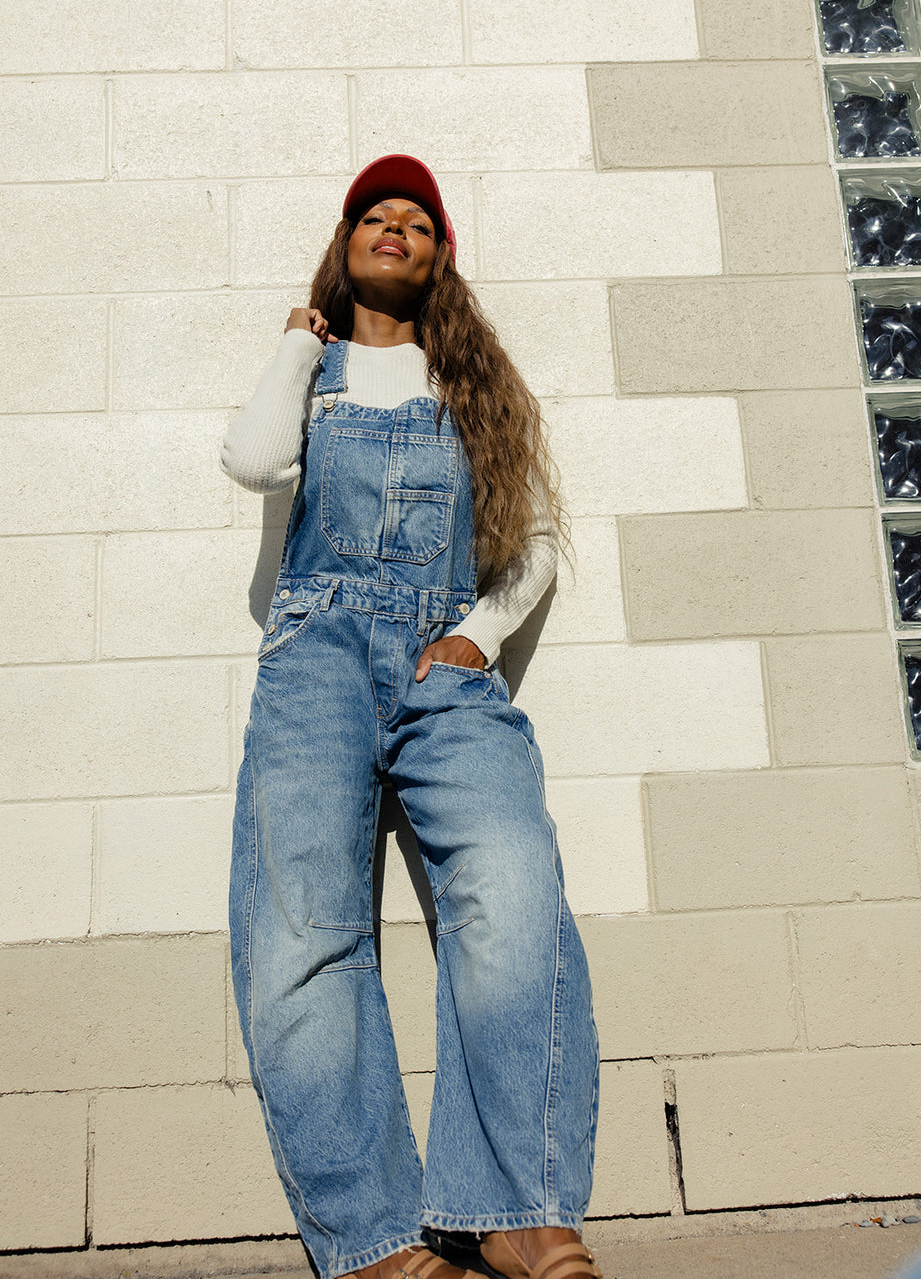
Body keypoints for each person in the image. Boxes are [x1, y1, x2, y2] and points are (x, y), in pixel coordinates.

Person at [222, 155, 601, 1279]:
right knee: (304, 931)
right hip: (317, 660)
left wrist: (476, 636)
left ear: (440, 258)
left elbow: (529, 544)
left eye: (419, 220)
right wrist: (299, 335)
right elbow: (252, 459)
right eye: (375, 216)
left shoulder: (472, 384)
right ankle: (381, 1239)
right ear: (345, 246)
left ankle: (514, 1205)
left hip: (445, 669)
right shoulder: (317, 369)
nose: (397, 227)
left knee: (513, 885)